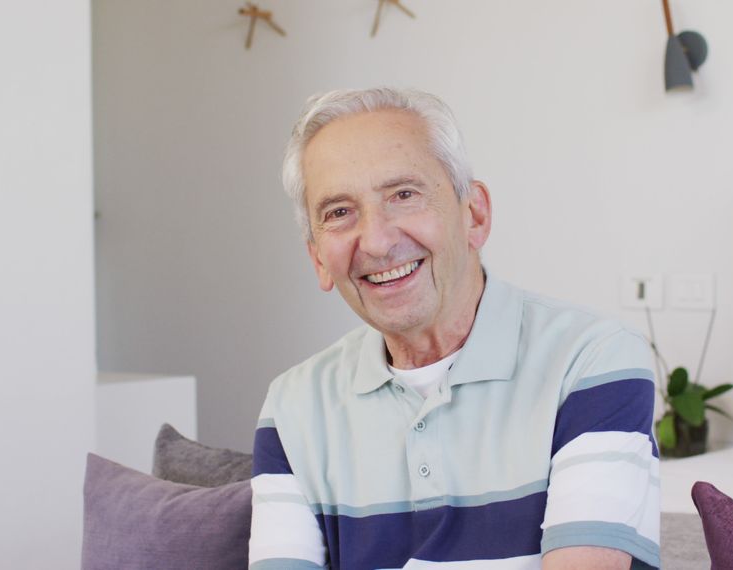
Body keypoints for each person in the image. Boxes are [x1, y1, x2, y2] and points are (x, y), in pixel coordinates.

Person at [249, 87, 660, 570]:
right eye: (339, 212)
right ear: (319, 257)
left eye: (403, 195)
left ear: (475, 214)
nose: (377, 242)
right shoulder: (293, 405)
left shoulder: (593, 361)